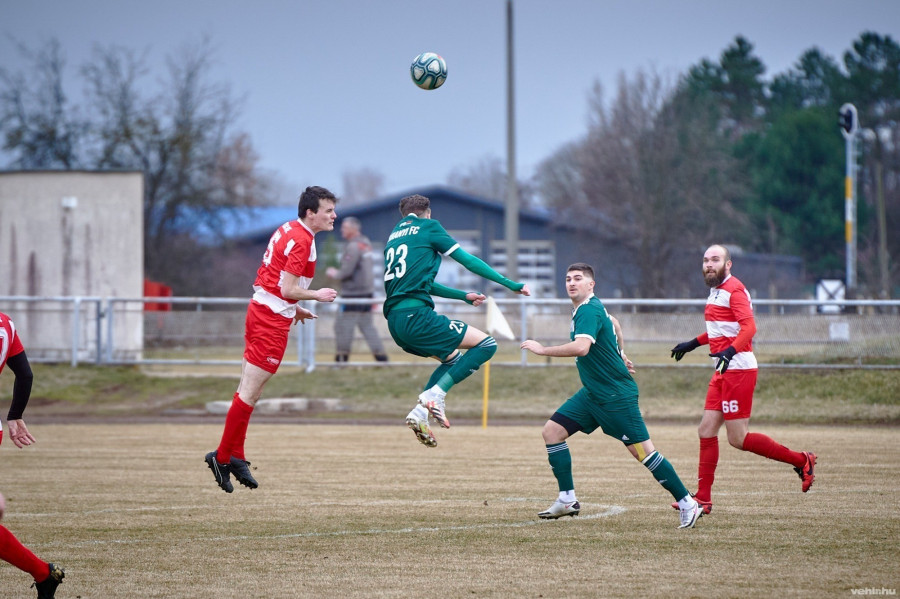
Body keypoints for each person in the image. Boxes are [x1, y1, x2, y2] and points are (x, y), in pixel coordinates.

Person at [520, 264, 702, 528]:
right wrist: (620, 353)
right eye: (568, 279)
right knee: (552, 432)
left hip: (615, 396)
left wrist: (542, 349)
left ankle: (688, 503)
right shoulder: (592, 308)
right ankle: (567, 499)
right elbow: (614, 323)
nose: (571, 283)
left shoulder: (588, 309)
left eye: (578, 279)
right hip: (593, 394)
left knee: (644, 453)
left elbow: (582, 348)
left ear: (591, 285)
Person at [205, 186, 339, 493]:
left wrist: (296, 310)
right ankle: (221, 457)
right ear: (311, 213)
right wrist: (316, 295)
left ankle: (236, 456)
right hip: (269, 322)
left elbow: (276, 284)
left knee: (250, 394)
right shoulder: (303, 239)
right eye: (328, 210)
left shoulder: (290, 229)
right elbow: (288, 288)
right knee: (248, 394)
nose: (334, 216)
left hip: (263, 311)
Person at [669, 244, 816, 515]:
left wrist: (730, 350)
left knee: (738, 439)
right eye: (705, 260)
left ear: (728, 264)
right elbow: (721, 330)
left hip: (739, 370)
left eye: (715, 260)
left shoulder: (734, 289)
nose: (709, 264)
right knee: (706, 430)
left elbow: (749, 328)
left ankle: (802, 459)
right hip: (724, 369)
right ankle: (703, 499)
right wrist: (693, 343)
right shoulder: (715, 292)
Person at [383, 194, 531, 447]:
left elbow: (423, 283)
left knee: (452, 359)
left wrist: (462, 296)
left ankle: (419, 413)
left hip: (396, 322)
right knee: (486, 345)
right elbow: (468, 261)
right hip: (417, 316)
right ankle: (435, 395)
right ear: (427, 212)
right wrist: (510, 284)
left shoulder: (394, 235)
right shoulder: (429, 226)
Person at [0, 312, 66, 597]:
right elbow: (25, 373)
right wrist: (15, 415)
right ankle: (43, 573)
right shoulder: (5, 323)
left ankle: (43, 572)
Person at [325, 217, 389, 363]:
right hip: (367, 293)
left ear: (354, 229)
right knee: (367, 327)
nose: (342, 230)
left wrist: (335, 273)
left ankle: (341, 359)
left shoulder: (353, 247)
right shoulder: (365, 244)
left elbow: (347, 271)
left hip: (352, 295)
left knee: (343, 326)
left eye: (345, 228)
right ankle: (382, 358)